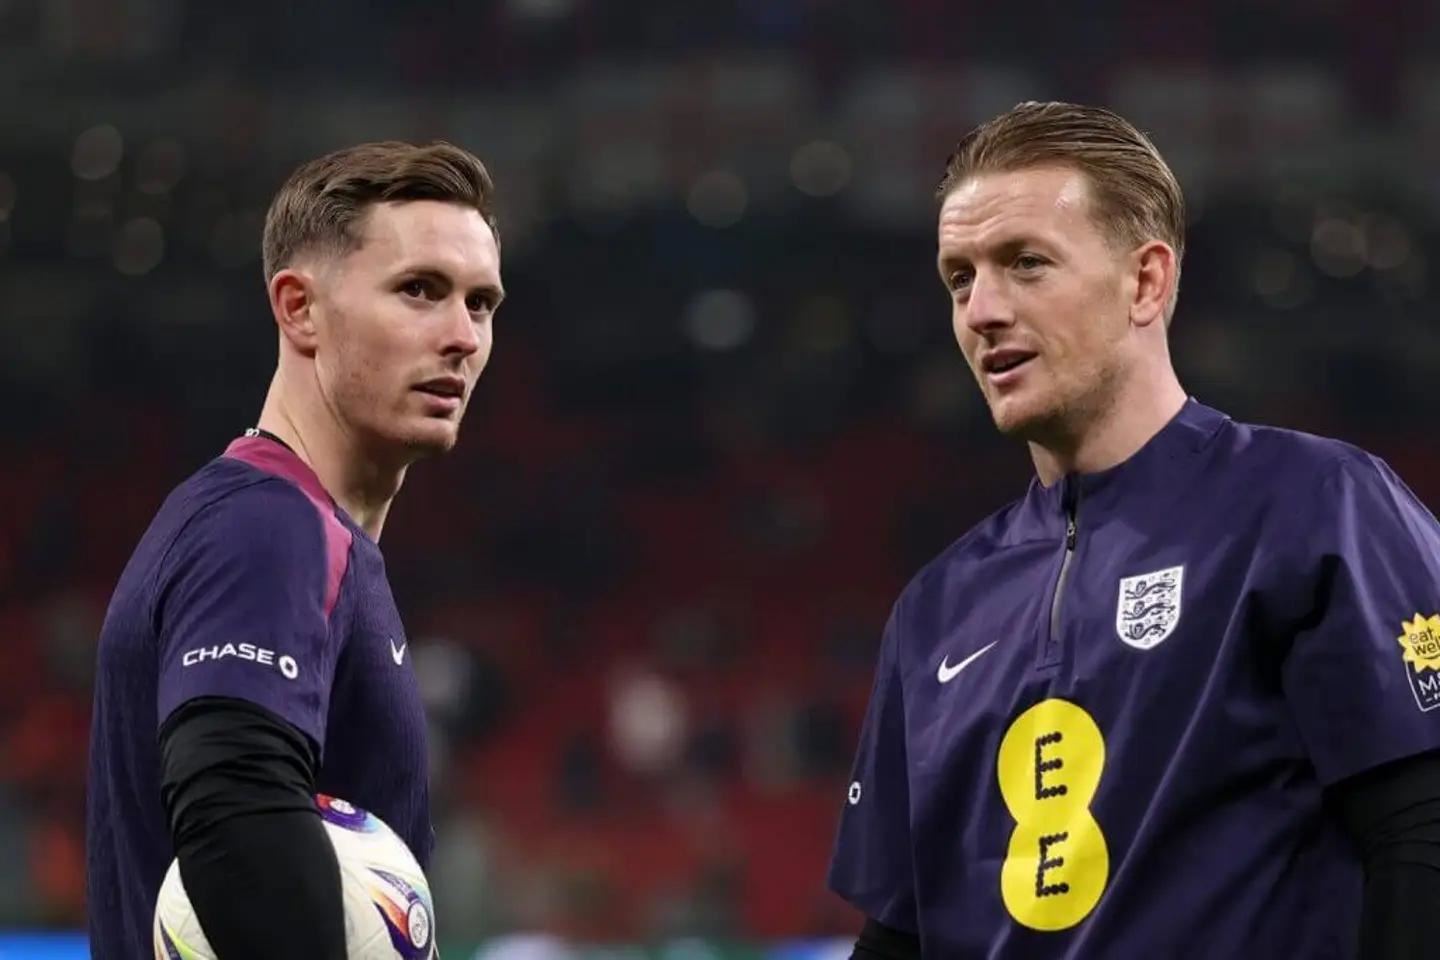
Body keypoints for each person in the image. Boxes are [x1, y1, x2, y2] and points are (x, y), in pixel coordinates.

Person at [828, 101, 1440, 958]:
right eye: (960, 278)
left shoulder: (1315, 508)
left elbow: (1421, 833)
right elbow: (899, 938)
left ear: (1146, 282)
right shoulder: (935, 609)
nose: (981, 310)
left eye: (1026, 263)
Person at [85, 140, 505, 958]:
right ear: (298, 308)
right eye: (420, 290)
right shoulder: (267, 526)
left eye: (481, 303)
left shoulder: (301, 531)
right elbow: (233, 808)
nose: (462, 336)